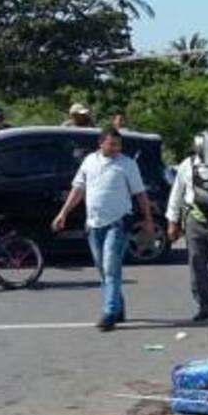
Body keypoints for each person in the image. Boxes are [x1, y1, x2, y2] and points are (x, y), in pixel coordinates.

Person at [51, 125, 155, 331]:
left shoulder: (127, 164)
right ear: (101, 143)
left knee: (110, 268)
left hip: (117, 222)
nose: (116, 148)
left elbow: (140, 194)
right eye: (112, 144)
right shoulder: (89, 161)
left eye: (119, 145)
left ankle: (109, 313)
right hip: (93, 224)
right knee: (103, 269)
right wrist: (63, 213)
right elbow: (78, 189)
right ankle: (118, 306)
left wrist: (148, 219)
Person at [166, 134, 208, 322]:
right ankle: (206, 305)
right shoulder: (186, 165)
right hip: (194, 221)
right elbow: (176, 194)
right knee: (197, 264)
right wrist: (172, 221)